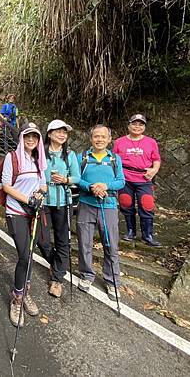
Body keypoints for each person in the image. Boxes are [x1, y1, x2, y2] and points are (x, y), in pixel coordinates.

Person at [2, 122, 51, 327]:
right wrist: (26, 199)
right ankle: (17, 298)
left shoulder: (38, 159)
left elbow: (43, 184)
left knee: (30, 254)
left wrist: (40, 194)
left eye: (35, 136)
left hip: (34, 212)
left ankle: (25, 290)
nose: (31, 140)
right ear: (21, 138)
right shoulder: (12, 158)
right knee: (24, 254)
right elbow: (6, 186)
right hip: (16, 212)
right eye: (27, 136)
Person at [76, 125, 125, 301]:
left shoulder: (114, 159)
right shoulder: (82, 157)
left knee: (111, 244)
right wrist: (90, 187)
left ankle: (112, 281)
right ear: (91, 138)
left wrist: (105, 186)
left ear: (109, 139)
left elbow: (121, 181)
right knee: (84, 242)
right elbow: (76, 178)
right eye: (96, 136)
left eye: (103, 137)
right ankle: (86, 275)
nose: (99, 139)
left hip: (109, 205)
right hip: (86, 204)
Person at [44, 120, 81, 298]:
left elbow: (77, 177)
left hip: (63, 202)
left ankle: (57, 279)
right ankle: (56, 262)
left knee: (62, 239)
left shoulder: (69, 154)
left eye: (65, 132)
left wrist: (66, 180)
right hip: (42, 201)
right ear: (49, 133)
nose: (62, 135)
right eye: (58, 131)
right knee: (41, 239)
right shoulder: (40, 152)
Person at [113, 114, 162, 247]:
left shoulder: (151, 142)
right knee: (125, 203)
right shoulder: (119, 142)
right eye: (134, 123)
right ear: (128, 125)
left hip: (144, 178)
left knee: (147, 205)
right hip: (125, 178)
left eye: (141, 124)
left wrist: (154, 170)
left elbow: (156, 159)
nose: (137, 127)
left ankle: (148, 235)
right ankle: (130, 231)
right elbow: (113, 160)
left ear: (144, 127)